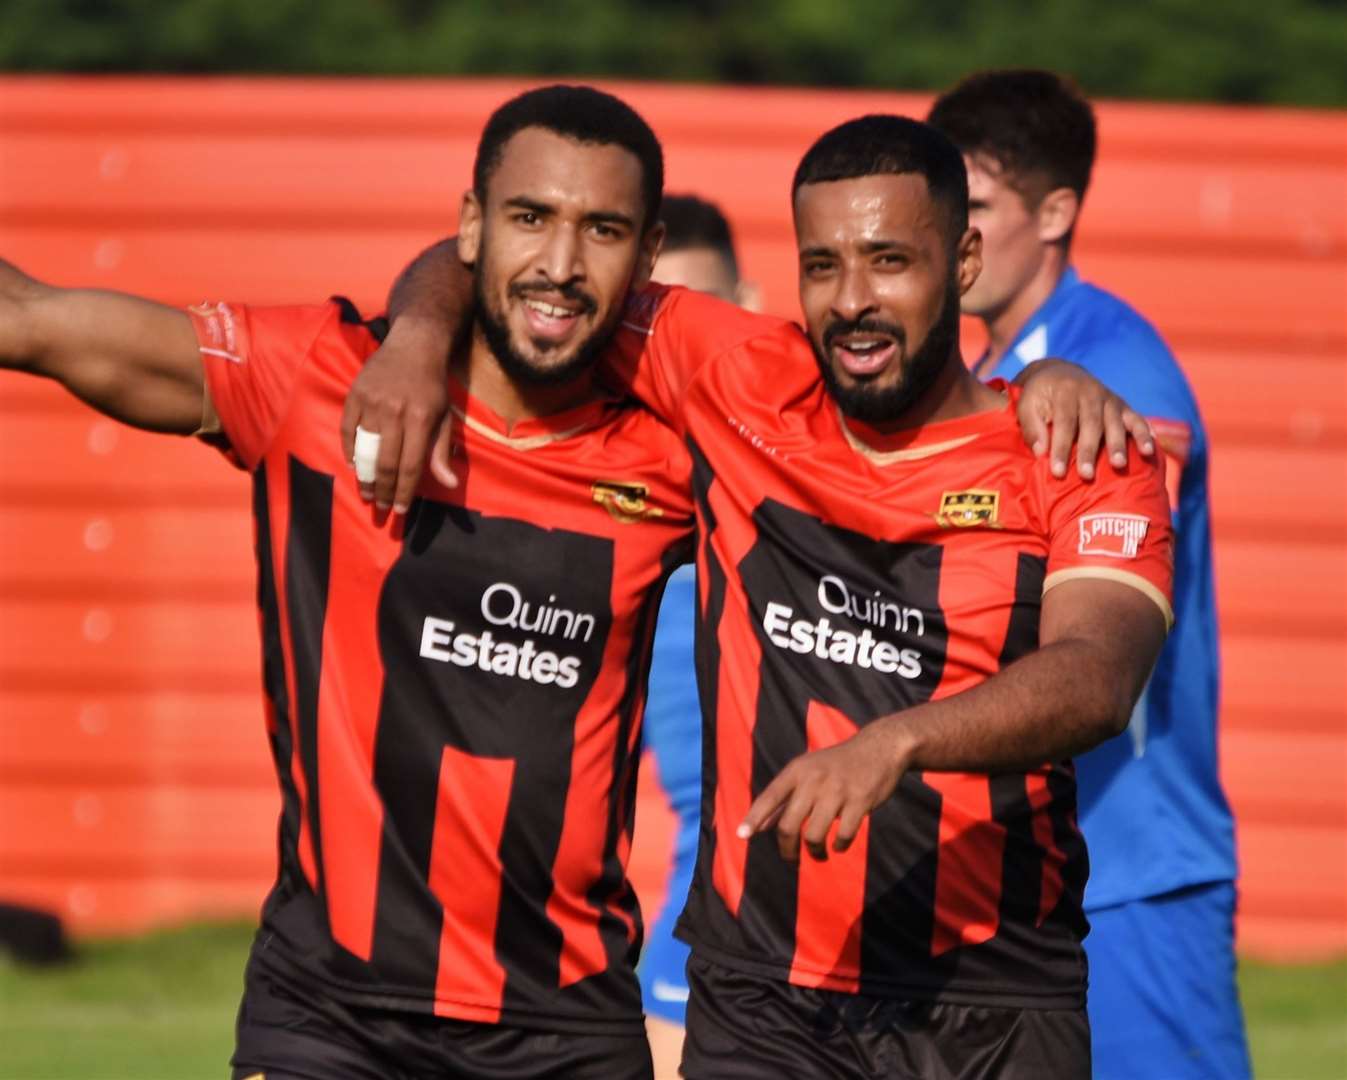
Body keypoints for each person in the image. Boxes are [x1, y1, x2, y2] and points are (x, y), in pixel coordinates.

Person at [348, 113, 1173, 1079]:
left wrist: (898, 741)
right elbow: (510, 268)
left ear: (961, 261)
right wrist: (412, 337)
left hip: (989, 1003)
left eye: (887, 261)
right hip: (760, 1004)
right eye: (821, 266)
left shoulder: (1077, 450)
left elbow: (1096, 677)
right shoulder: (737, 378)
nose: (851, 301)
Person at [0, 84, 695, 1080]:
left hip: (566, 1029)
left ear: (648, 252)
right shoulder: (313, 381)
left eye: (604, 229)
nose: (560, 262)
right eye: (530, 217)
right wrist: (412, 337)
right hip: (328, 1017)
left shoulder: (677, 465)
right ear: (471, 225)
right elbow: (33, 321)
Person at [929, 70, 1249, 1080]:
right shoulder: (997, 365)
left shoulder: (1116, 372)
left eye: (976, 209)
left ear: (1058, 210)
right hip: (1035, 875)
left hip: (1135, 874)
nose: (956, 241)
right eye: (946, 211)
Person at [641, 194, 760, 1076]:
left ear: (749, 304)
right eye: (654, 321)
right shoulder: (608, 479)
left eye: (702, 313)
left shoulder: (809, 450)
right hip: (702, 910)